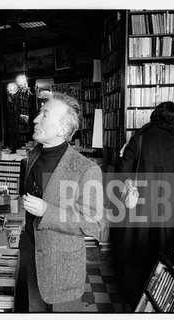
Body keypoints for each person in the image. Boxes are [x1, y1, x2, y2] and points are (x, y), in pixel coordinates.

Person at [22, 92, 107, 312]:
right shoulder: (33, 156)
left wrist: (46, 211)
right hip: (32, 254)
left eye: (45, 115)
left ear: (61, 130)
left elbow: (94, 224)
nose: (35, 119)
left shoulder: (86, 170)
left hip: (62, 268)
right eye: (40, 112)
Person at [112, 101, 174, 309]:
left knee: (137, 248)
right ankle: (160, 297)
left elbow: (124, 171)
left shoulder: (141, 137)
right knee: (161, 249)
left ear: (155, 115)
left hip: (141, 203)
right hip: (168, 206)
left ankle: (131, 297)